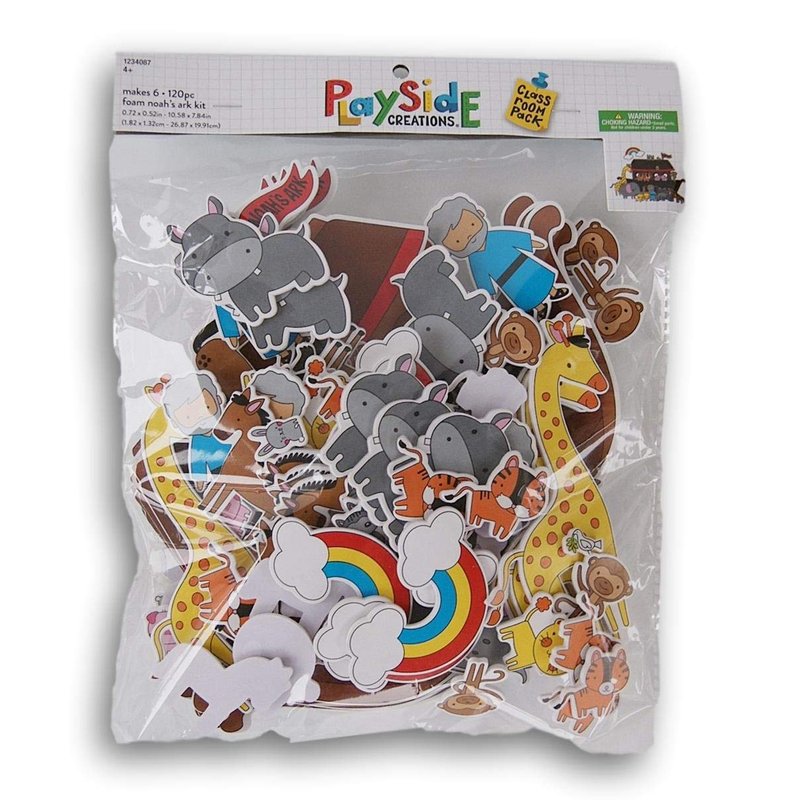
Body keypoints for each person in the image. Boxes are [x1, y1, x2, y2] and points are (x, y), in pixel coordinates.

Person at [427, 195, 568, 313]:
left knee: (539, 279)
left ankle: (553, 291)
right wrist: (488, 294)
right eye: (458, 241)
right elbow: (482, 278)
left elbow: (513, 238)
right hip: (507, 280)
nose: (469, 236)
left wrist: (530, 243)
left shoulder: (496, 236)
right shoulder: (475, 261)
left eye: (471, 225)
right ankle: (539, 308)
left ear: (480, 213)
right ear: (450, 252)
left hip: (523, 264)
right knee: (524, 296)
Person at [162, 372, 230, 490]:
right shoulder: (197, 441)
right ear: (175, 423)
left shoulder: (228, 423)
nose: (200, 417)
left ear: (218, 399)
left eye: (206, 408)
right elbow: (197, 460)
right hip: (219, 470)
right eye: (188, 417)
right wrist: (200, 479)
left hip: (242, 459)